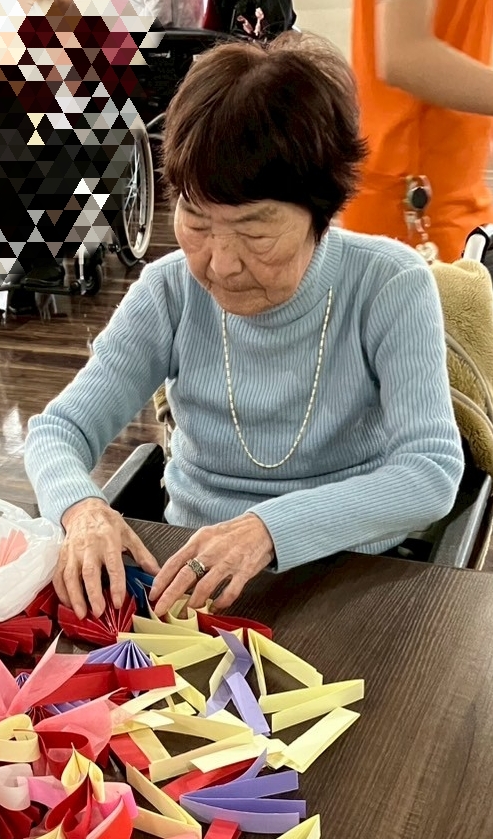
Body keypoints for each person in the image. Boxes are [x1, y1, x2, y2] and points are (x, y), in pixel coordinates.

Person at [25, 31, 464, 621]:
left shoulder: (387, 285)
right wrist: (81, 508)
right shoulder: (169, 291)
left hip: (348, 572)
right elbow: (59, 430)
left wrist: (268, 529)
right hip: (190, 577)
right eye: (196, 221)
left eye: (255, 231)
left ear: (323, 211)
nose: (221, 264)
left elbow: (429, 472)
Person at [341, 0, 493, 405]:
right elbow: (404, 57)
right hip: (410, 206)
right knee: (467, 391)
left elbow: (451, 36)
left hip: (454, 193)